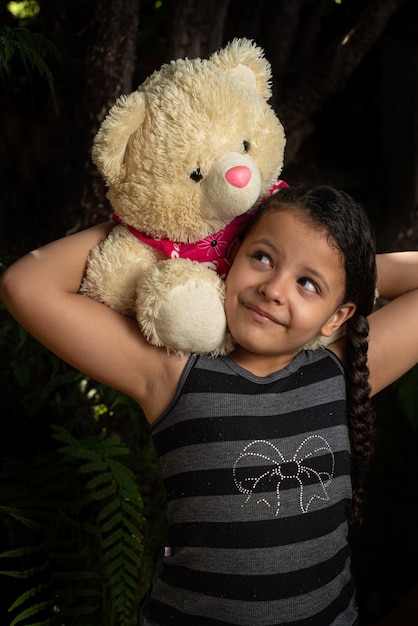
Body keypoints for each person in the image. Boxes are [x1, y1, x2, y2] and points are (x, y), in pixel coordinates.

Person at [1, 183, 418, 626]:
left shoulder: (338, 371)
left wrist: (346, 272)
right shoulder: (170, 371)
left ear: (338, 315)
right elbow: (23, 284)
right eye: (262, 257)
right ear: (231, 255)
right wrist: (157, 226)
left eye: (307, 283)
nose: (275, 289)